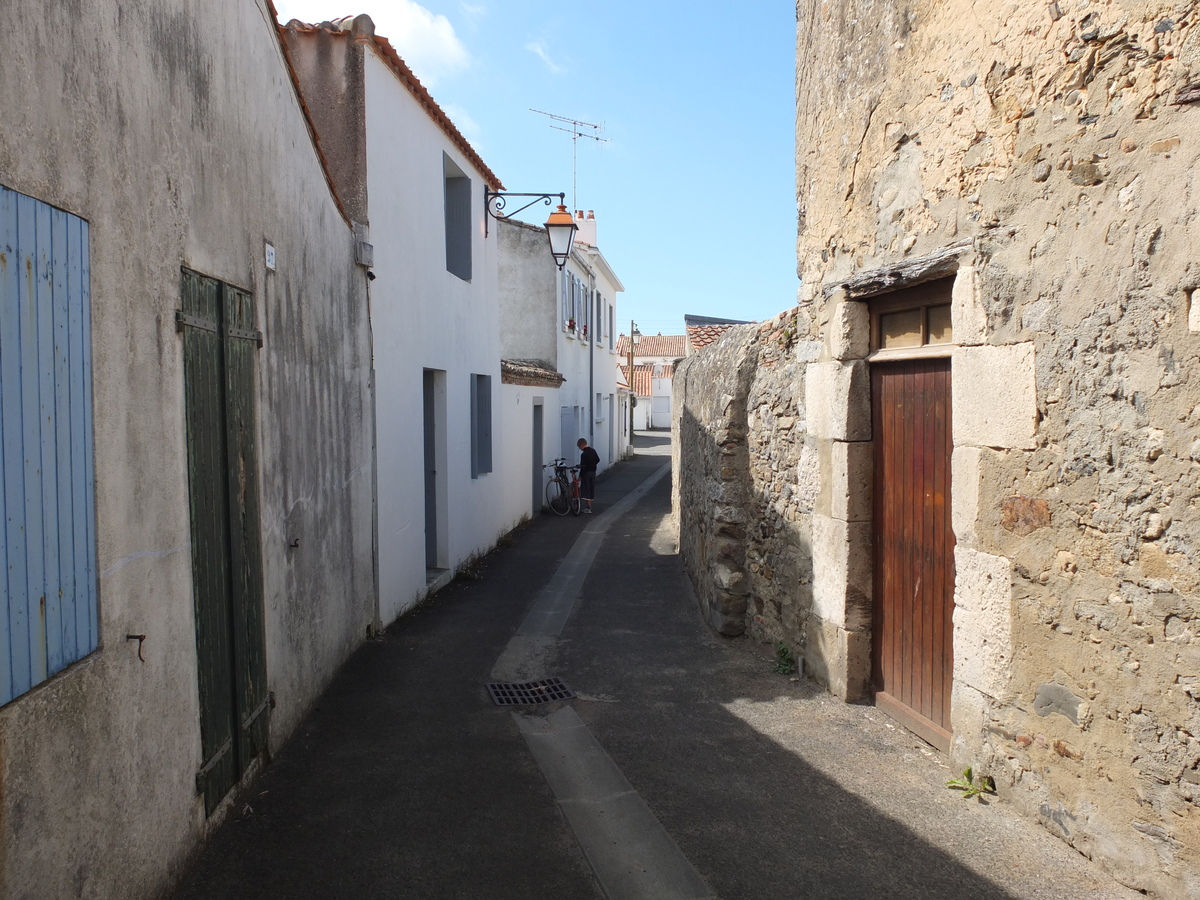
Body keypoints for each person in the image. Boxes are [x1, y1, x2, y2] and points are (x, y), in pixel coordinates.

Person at [576, 437, 600, 514]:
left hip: (586, 473)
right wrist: (592, 465)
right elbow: (598, 459)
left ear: (581, 445)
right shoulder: (593, 451)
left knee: (586, 490)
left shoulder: (584, 454)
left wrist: (580, 477)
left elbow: (583, 467)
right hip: (593, 472)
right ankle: (589, 507)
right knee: (591, 488)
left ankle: (588, 508)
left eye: (579, 447)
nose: (580, 449)